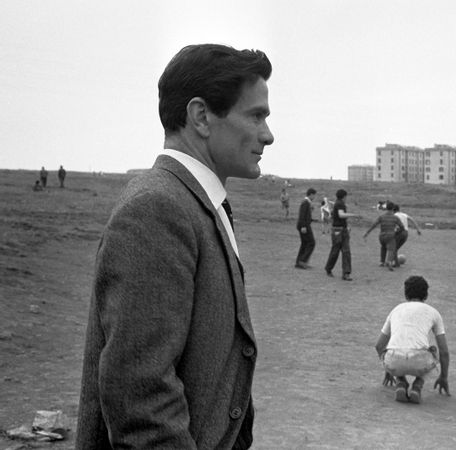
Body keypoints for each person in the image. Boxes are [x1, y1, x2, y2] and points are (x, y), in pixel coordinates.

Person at [76, 43, 274, 449]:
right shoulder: (156, 208)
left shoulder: (195, 201)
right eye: (255, 115)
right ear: (201, 116)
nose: (268, 134)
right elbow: (141, 398)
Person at [375, 276, 450, 404]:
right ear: (426, 295)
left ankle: (401, 382)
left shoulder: (396, 310)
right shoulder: (434, 312)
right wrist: (443, 377)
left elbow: (379, 345)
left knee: (395, 351)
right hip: (420, 361)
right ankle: (417, 385)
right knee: (434, 350)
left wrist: (389, 369)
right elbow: (444, 352)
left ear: (406, 295)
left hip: (394, 360)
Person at [325, 188, 359, 281]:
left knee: (345, 251)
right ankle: (329, 268)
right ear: (344, 196)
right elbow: (341, 215)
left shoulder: (338, 203)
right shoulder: (340, 204)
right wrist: (353, 215)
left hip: (342, 230)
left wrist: (346, 226)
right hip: (338, 231)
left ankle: (346, 273)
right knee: (337, 251)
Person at [363, 201, 405, 271]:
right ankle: (389, 262)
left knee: (383, 247)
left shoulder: (381, 217)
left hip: (381, 236)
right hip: (390, 236)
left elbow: (374, 224)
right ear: (393, 208)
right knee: (391, 249)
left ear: (386, 208)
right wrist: (397, 232)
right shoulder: (395, 218)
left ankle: (382, 262)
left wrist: (367, 233)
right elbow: (402, 227)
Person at [295, 188, 316, 269]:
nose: (314, 197)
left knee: (304, 244)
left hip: (304, 225)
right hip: (304, 226)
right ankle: (303, 261)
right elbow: (302, 215)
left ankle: (299, 262)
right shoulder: (305, 203)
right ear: (311, 194)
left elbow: (305, 215)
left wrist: (312, 219)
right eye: (314, 195)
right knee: (311, 243)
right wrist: (303, 226)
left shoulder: (307, 203)